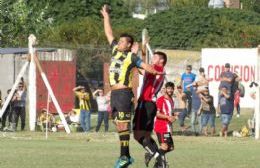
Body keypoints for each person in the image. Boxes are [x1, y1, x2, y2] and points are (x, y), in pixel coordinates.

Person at [101, 5, 164, 168]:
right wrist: (106, 16)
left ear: (129, 45)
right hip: (114, 94)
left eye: (123, 41)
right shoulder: (115, 50)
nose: (119, 43)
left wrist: (157, 71)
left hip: (123, 93)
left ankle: (124, 156)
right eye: (120, 41)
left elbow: (146, 66)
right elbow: (108, 34)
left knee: (123, 125)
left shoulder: (131, 56)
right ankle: (126, 156)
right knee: (119, 125)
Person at [133, 51, 167, 167]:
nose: (152, 58)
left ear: (161, 61)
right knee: (146, 136)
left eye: (155, 57)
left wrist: (133, 55)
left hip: (145, 104)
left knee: (138, 135)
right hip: (150, 105)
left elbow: (141, 65)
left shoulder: (157, 67)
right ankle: (160, 160)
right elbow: (141, 69)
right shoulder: (155, 70)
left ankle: (159, 159)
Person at [154, 82, 178, 168]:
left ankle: (155, 159)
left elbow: (170, 114)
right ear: (165, 89)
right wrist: (168, 117)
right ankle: (161, 164)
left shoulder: (171, 100)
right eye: (168, 88)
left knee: (170, 147)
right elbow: (157, 114)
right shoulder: (160, 100)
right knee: (164, 147)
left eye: (171, 88)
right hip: (160, 127)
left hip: (166, 128)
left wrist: (174, 117)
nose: (170, 90)